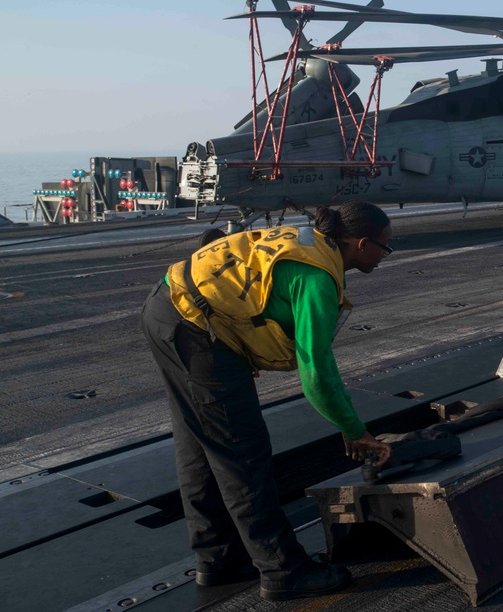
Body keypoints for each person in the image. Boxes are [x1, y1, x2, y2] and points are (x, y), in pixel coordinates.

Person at [141, 202, 394, 601]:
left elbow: (245, 281)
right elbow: (317, 372)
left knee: (199, 447)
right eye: (385, 247)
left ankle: (218, 559)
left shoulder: (307, 240)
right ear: (362, 244)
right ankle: (283, 570)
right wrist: (353, 430)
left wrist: (236, 344)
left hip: (171, 306)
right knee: (242, 453)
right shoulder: (319, 277)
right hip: (196, 328)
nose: (384, 256)